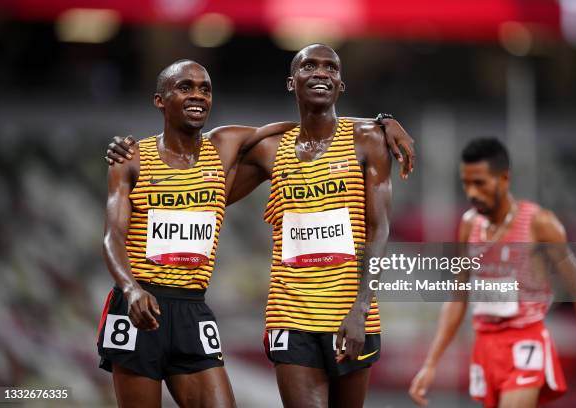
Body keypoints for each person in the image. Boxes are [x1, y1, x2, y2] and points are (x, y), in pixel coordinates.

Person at [101, 55, 414, 407]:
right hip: (144, 302)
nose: (197, 96)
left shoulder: (227, 144)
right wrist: (131, 289)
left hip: (192, 306)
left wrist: (381, 121)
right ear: (160, 100)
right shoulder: (132, 158)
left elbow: (313, 122)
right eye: (185, 87)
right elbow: (112, 235)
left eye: (205, 89)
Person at [408, 138, 576, 408]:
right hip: (486, 348)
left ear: (504, 178)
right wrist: (430, 364)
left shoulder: (541, 224)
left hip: (526, 341)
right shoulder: (469, 225)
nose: (472, 193)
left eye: (480, 183)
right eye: (466, 183)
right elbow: (458, 297)